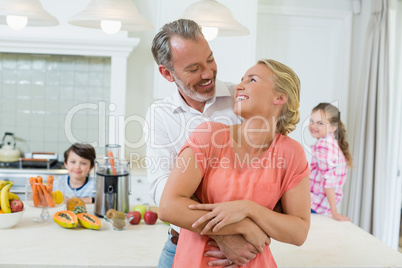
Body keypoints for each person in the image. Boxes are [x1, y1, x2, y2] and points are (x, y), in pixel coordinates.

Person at [159, 59, 311, 267]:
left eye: (252, 80)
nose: (239, 86)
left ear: (280, 97)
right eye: (241, 80)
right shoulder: (209, 135)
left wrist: (249, 209)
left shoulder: (291, 154)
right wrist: (242, 226)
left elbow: (299, 231)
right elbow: (169, 207)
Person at [145, 19, 265, 267]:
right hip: (180, 247)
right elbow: (162, 190)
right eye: (193, 68)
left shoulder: (241, 99)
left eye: (210, 59)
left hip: (244, 253)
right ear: (167, 73)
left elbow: (267, 175)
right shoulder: (160, 115)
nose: (208, 73)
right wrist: (222, 233)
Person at [308, 103, 353, 221]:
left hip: (316, 205)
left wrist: (335, 213)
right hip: (321, 205)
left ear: (333, 128)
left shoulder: (324, 147)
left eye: (320, 123)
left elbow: (329, 182)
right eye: (311, 121)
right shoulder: (329, 143)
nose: (313, 125)